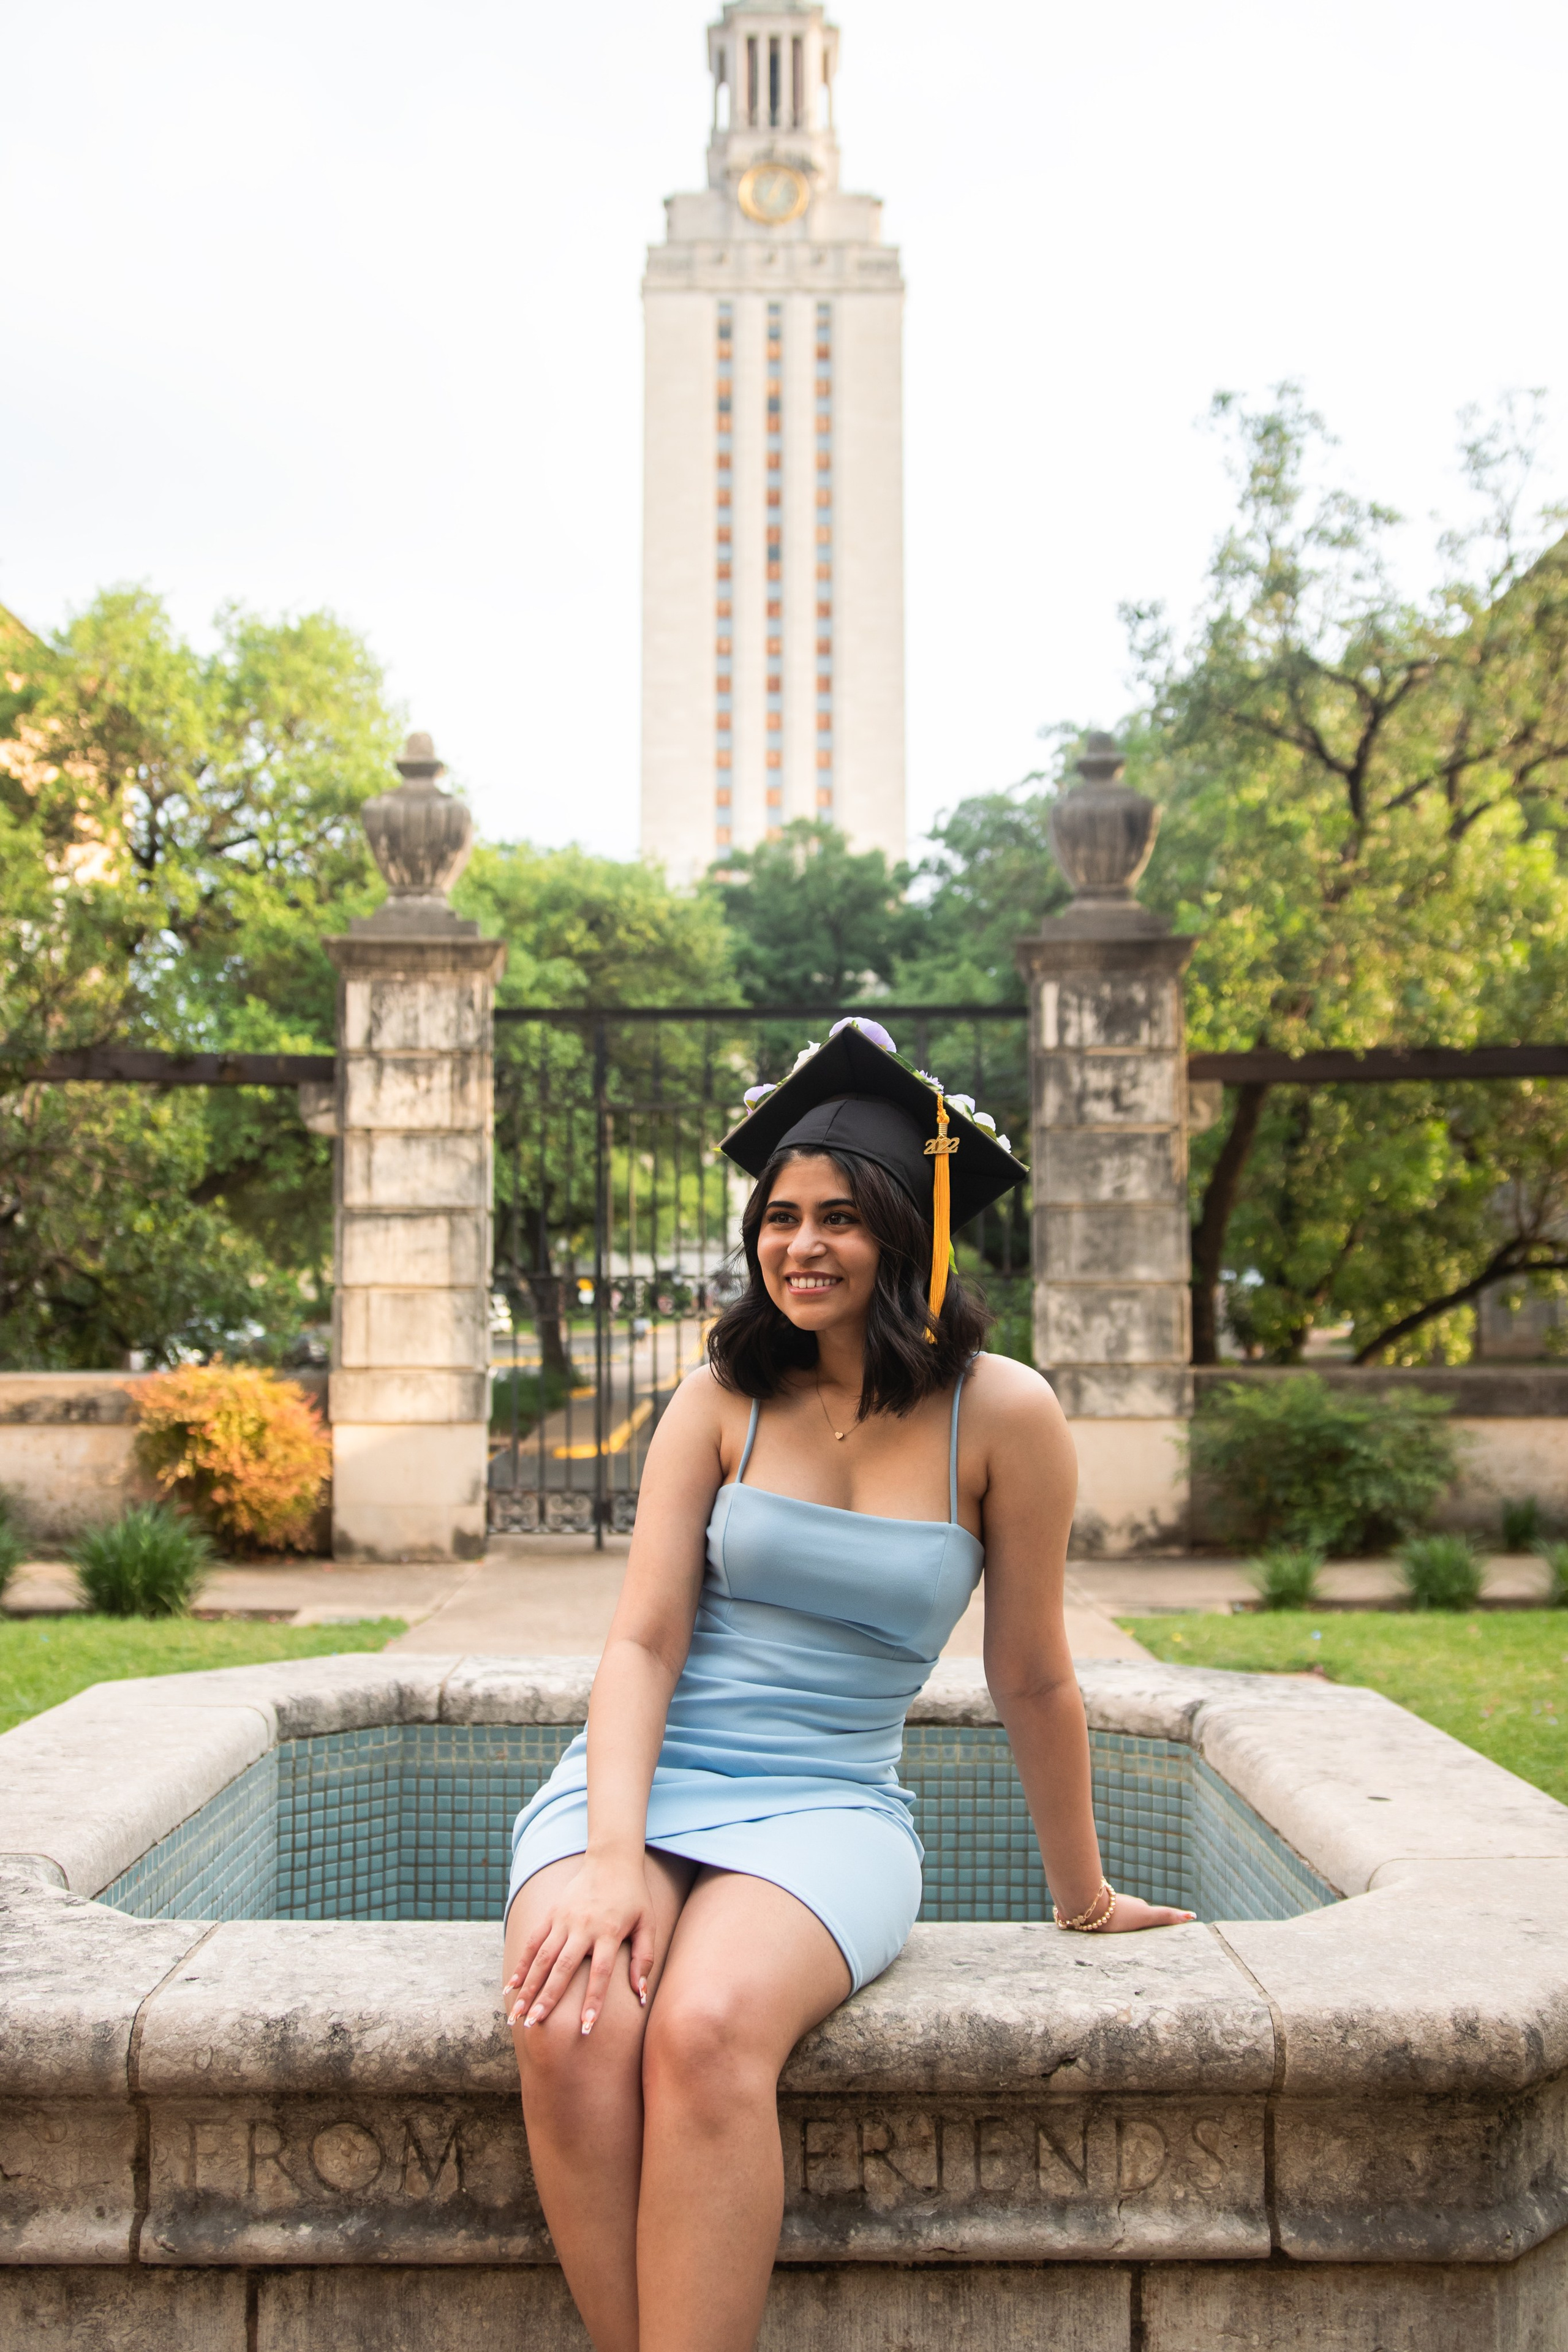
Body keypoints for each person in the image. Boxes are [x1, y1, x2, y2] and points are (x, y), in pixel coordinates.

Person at [501, 1021, 1194, 2352]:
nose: (797, 1245)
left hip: (826, 1806)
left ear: (905, 1234)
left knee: (703, 2029)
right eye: (778, 1217)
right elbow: (641, 1644)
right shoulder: (716, 1399)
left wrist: (1082, 1893)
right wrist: (603, 1856)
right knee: (576, 2015)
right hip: (633, 1791)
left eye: (836, 1218)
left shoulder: (1006, 1417)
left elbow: (1032, 1673)